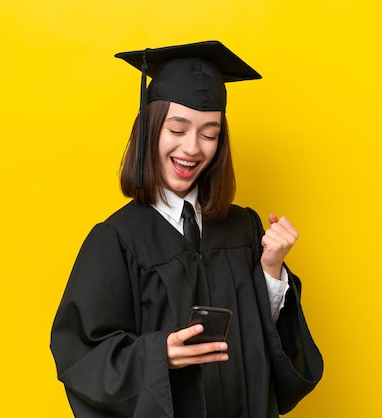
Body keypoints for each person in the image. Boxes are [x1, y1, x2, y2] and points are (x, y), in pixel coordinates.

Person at [50, 40, 323, 418]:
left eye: (209, 134)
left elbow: (265, 347)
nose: (192, 148)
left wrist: (272, 270)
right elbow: (82, 355)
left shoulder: (244, 228)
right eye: (177, 129)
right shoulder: (116, 240)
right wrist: (156, 354)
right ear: (150, 129)